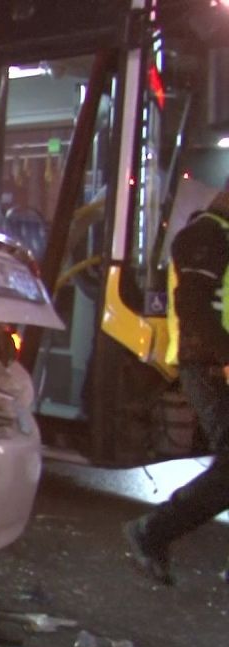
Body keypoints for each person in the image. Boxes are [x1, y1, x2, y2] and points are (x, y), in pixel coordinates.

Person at [124, 183, 229, 585]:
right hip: (208, 365)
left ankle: (154, 533)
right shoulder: (206, 235)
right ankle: (152, 531)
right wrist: (225, 356)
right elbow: (194, 307)